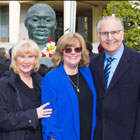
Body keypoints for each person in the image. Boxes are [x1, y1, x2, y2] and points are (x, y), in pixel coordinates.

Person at [89, 16, 140, 140]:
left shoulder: (137, 61)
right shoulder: (93, 63)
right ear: (98, 35)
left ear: (122, 33)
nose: (110, 38)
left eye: (114, 32)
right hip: (99, 135)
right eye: (104, 33)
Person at [41, 32, 97, 140]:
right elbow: (49, 116)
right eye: (68, 49)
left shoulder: (87, 73)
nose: (73, 53)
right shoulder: (51, 78)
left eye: (77, 49)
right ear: (61, 52)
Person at [0, 39, 53, 140]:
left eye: (30, 56)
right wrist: (33, 115)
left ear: (36, 60)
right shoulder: (4, 84)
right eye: (22, 56)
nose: (26, 61)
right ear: (15, 59)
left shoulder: (41, 82)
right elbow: (2, 119)